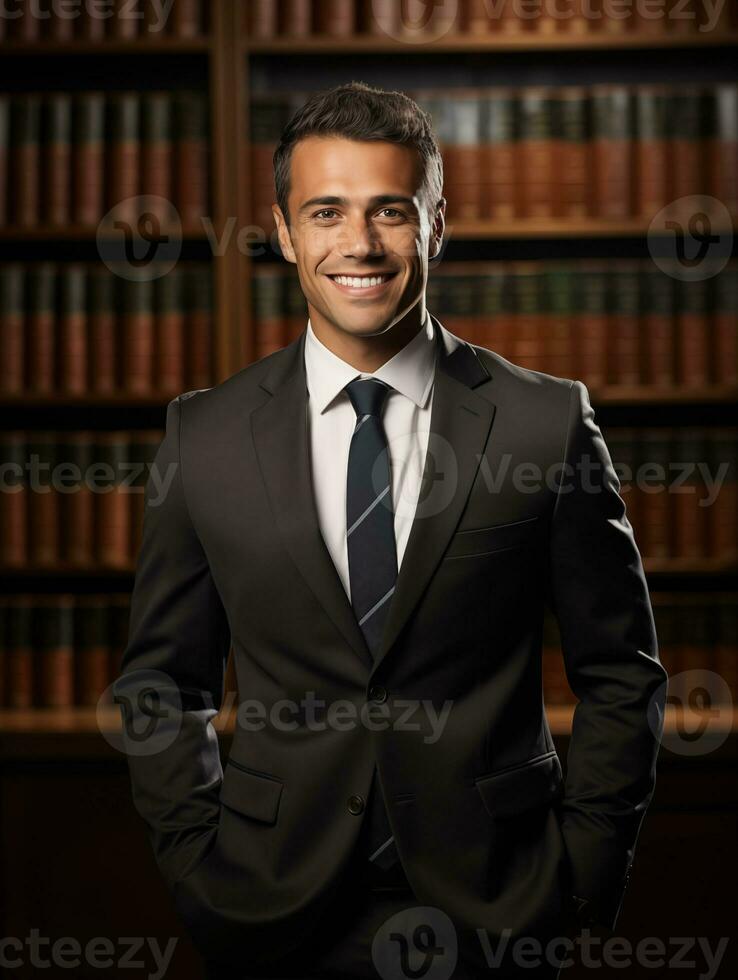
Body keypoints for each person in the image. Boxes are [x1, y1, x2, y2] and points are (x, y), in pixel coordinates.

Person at [114, 81, 667, 980]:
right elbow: (161, 684)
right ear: (286, 232)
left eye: (391, 212)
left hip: (502, 910)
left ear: (437, 223)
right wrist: (195, 867)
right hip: (270, 911)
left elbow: (621, 673)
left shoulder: (543, 423)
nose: (359, 244)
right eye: (326, 212)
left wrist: (581, 872)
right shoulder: (205, 434)